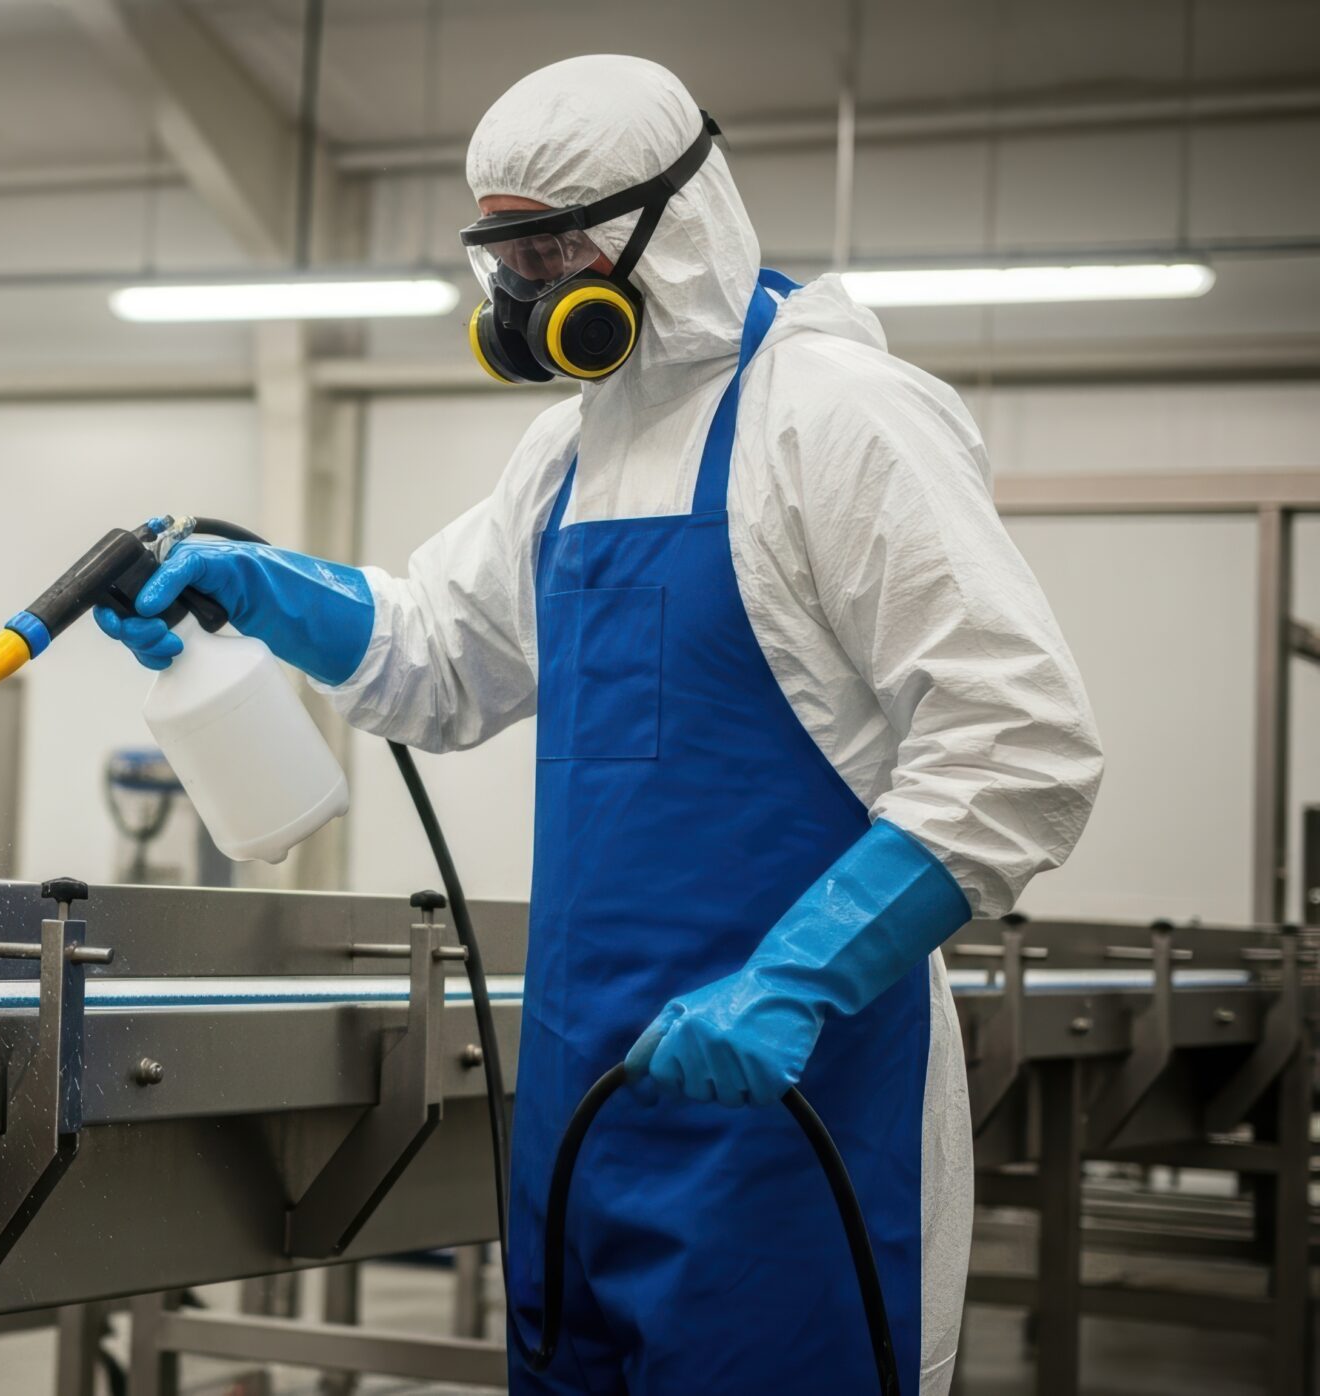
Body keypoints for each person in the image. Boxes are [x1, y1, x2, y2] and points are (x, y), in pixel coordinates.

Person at [97, 53, 1102, 1396]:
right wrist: (268, 589)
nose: (526, 291)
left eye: (557, 247)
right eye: (507, 256)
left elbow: (1018, 739)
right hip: (583, 1086)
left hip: (793, 1094)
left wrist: (796, 975)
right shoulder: (567, 454)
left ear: (671, 226)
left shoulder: (839, 417)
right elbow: (437, 660)